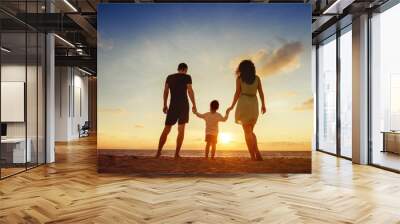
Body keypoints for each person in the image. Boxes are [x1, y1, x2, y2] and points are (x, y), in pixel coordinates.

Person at [227, 60, 266, 161]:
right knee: (250, 132)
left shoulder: (240, 79)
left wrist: (232, 106)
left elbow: (237, 93)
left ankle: (254, 155)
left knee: (247, 132)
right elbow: (261, 92)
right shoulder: (257, 78)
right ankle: (256, 153)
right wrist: (263, 105)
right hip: (254, 104)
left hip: (243, 104)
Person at [156, 63, 197, 158]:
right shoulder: (187, 77)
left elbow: (166, 91)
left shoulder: (169, 77)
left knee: (166, 129)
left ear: (178, 69)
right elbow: (190, 90)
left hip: (173, 105)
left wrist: (164, 104)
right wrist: (194, 104)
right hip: (183, 105)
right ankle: (176, 154)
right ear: (185, 69)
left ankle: (158, 152)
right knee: (181, 130)